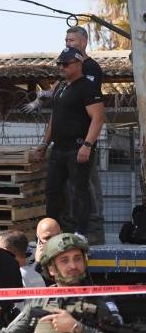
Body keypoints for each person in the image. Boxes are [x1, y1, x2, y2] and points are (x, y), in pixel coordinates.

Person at [36, 48, 105, 237]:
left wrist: (87, 145)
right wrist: (44, 143)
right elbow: (54, 118)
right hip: (58, 148)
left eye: (65, 64)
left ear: (78, 64)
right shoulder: (61, 87)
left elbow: (98, 118)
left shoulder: (88, 87)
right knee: (52, 191)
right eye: (59, 64)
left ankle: (82, 232)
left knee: (79, 191)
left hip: (77, 147)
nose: (61, 67)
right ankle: (51, 232)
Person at [64, 26, 106, 244]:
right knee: (72, 187)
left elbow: (94, 111)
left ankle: (95, 231)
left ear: (84, 41)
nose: (68, 43)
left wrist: (88, 143)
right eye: (66, 40)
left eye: (72, 39)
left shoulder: (90, 68)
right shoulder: (69, 72)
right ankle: (76, 229)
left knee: (88, 183)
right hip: (68, 142)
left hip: (85, 138)